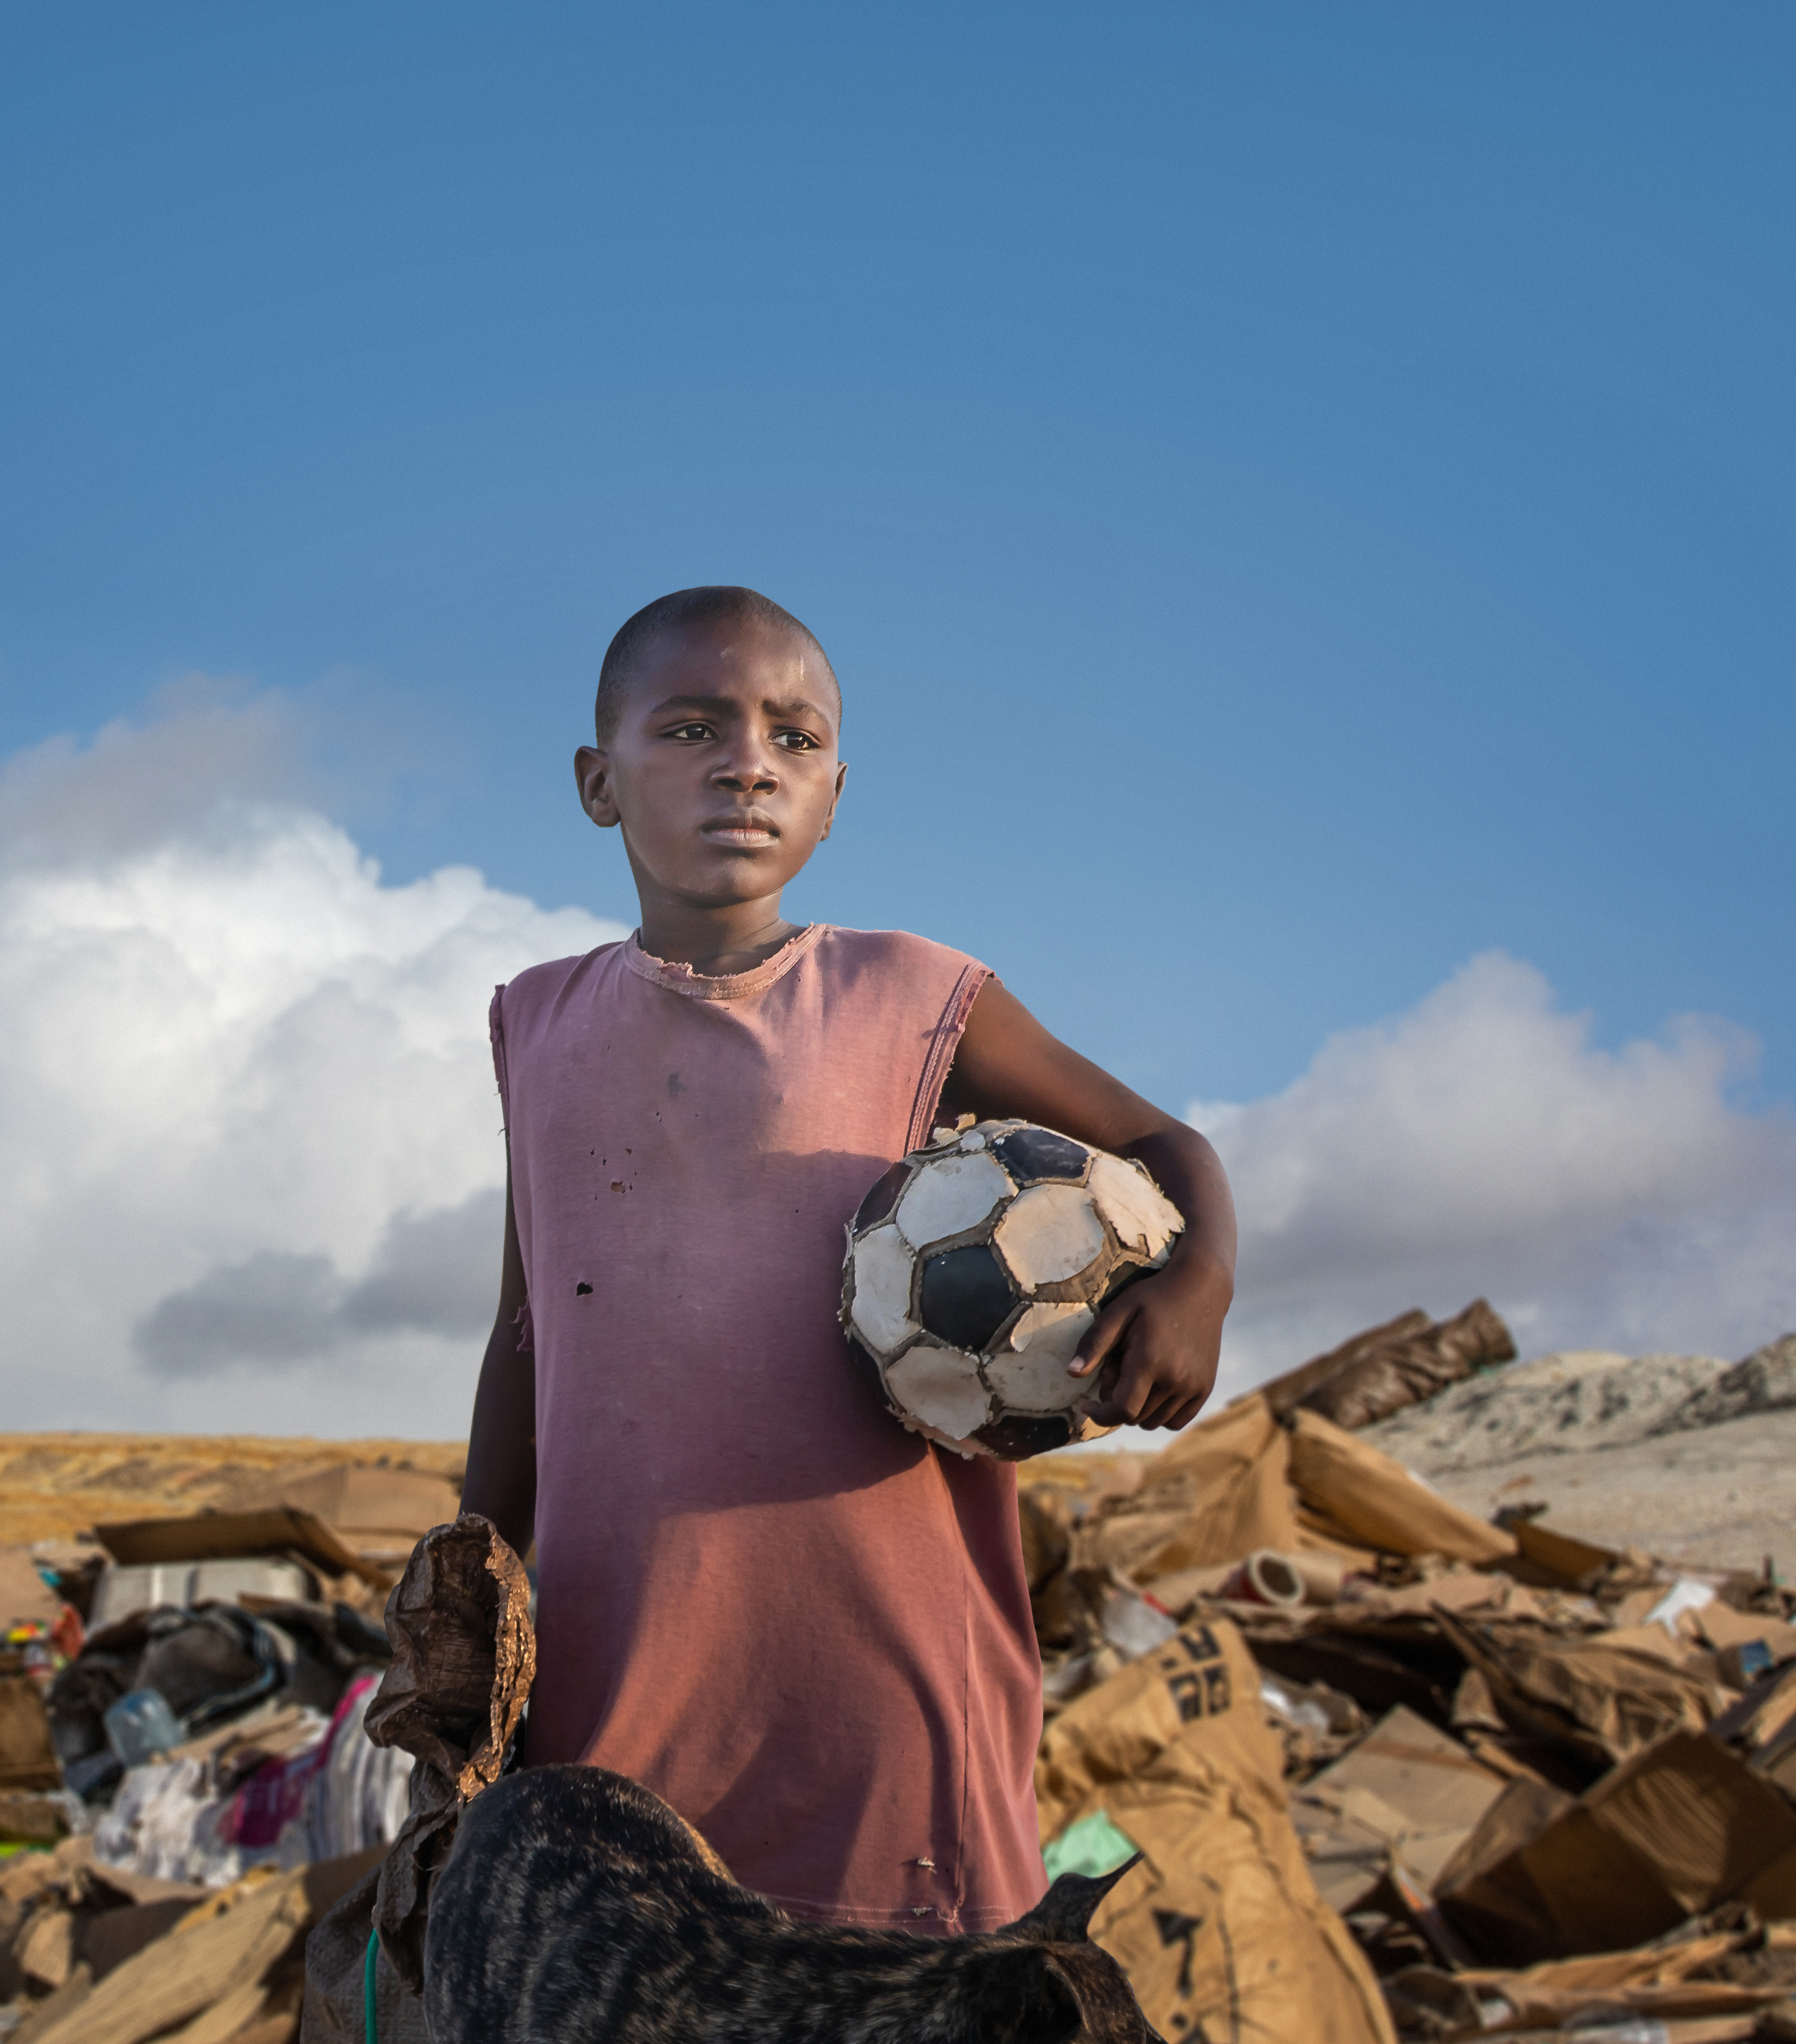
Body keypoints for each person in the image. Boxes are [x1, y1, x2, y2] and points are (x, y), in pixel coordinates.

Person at [459, 585, 1237, 1933]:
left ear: (831, 796)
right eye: (691, 727)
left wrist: (1197, 1283)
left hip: (887, 1671)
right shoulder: (535, 1022)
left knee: (920, 1988)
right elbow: (527, 1328)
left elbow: (1161, 1143)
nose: (746, 762)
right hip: (618, 1665)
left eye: (792, 738)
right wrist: (471, 1574)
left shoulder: (912, 993)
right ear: (598, 781)